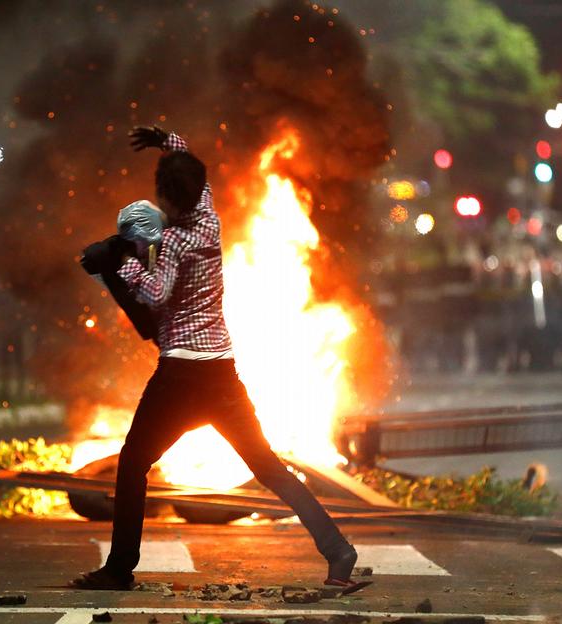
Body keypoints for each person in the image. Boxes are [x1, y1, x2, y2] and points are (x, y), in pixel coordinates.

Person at [72, 126, 363, 592]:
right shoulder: (209, 216)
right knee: (267, 467)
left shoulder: (175, 242)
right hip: (223, 373)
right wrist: (166, 140)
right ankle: (339, 551)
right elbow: (190, 161)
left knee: (132, 465)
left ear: (165, 197)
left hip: (181, 377)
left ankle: (120, 568)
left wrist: (121, 261)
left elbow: (156, 293)